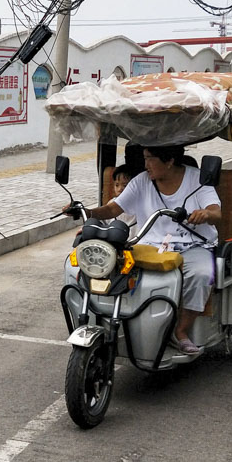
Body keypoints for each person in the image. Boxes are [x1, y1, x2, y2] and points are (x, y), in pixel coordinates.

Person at [70, 144, 222, 355]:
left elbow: (216, 211)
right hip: (150, 244)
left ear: (169, 161)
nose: (146, 164)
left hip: (193, 245)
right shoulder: (141, 181)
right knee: (117, 270)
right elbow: (114, 208)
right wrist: (86, 211)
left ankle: (181, 332)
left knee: (201, 275)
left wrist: (205, 214)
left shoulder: (197, 179)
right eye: (145, 158)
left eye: (150, 159)